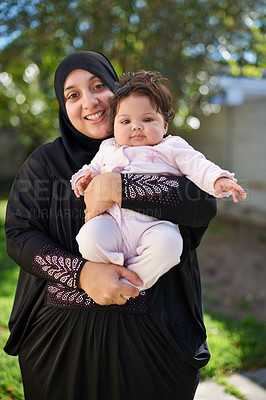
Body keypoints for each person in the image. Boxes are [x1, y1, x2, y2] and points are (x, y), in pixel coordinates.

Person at [4, 51, 217, 400]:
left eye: (98, 86)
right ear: (63, 105)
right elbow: (18, 234)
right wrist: (81, 273)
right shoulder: (45, 163)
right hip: (59, 346)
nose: (88, 101)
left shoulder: (163, 152)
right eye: (72, 95)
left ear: (118, 92)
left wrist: (120, 187)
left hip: (154, 344)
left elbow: (201, 204)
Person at [71, 70, 246, 295]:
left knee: (170, 245)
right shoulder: (108, 148)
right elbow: (92, 169)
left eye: (147, 119)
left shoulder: (171, 147)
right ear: (113, 127)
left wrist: (218, 178)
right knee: (88, 236)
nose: (136, 126)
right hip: (113, 223)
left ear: (164, 126)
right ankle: (113, 272)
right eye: (125, 121)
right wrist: (83, 178)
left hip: (154, 225)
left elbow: (198, 165)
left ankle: (133, 282)